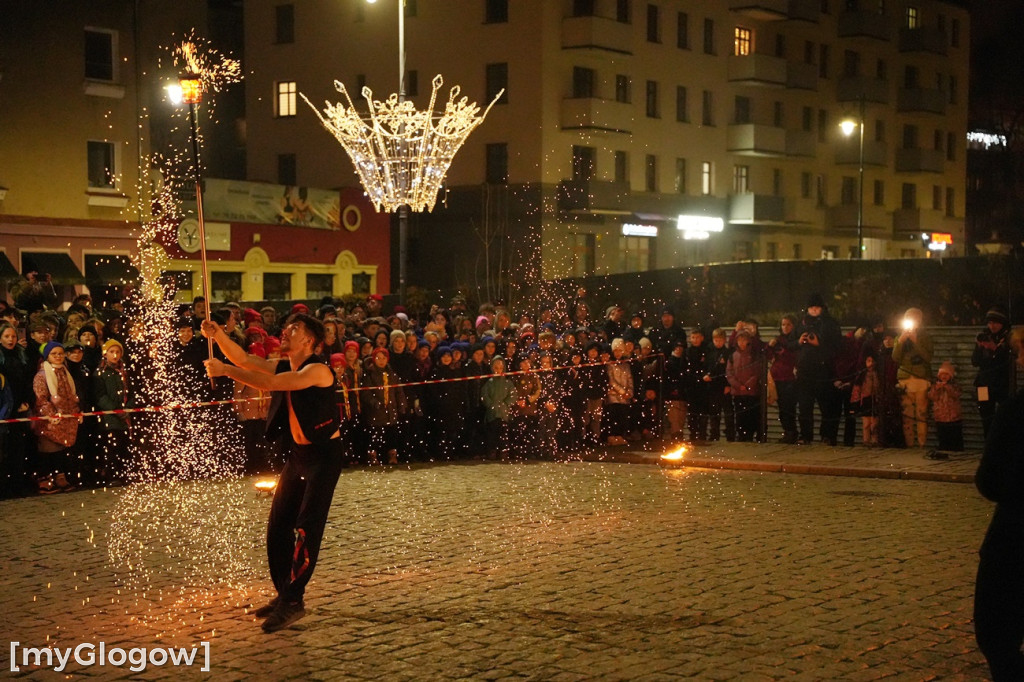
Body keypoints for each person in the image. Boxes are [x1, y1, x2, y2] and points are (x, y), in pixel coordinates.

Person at [203, 314, 344, 633]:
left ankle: (294, 601)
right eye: (287, 327)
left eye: (295, 329)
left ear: (310, 341)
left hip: (323, 457)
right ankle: (285, 594)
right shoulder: (285, 364)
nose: (286, 332)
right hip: (298, 457)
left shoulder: (318, 370)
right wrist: (218, 336)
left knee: (307, 529)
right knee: (278, 526)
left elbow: (273, 384)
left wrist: (225, 371)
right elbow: (247, 359)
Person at [974, 328, 1024, 681]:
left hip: (1015, 538)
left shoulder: (1016, 411)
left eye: (1020, 352)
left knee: (998, 632)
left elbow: (989, 480)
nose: (1017, 359)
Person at [31, 342, 80, 493]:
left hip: (65, 418)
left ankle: (60, 477)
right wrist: (50, 413)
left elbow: (70, 395)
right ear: (47, 356)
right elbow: (41, 398)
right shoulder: (42, 375)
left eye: (60, 353)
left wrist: (75, 410)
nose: (58, 357)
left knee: (60, 450)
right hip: (50, 420)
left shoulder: (65, 373)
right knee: (48, 449)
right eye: (54, 354)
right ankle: (45, 479)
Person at [893, 307, 933, 448]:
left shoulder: (925, 337)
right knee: (907, 416)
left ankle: (922, 445)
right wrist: (901, 342)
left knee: (921, 415)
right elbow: (895, 357)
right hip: (905, 380)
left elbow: (928, 357)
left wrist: (916, 341)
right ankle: (909, 445)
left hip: (921, 378)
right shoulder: (900, 337)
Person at [971, 305, 1012, 439]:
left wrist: (995, 348)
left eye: (995, 322)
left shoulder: (1008, 338)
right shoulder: (984, 336)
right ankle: (988, 444)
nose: (992, 326)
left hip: (1002, 384)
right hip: (984, 383)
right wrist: (980, 347)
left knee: (1005, 414)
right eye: (989, 322)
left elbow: (1008, 360)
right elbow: (975, 361)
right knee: (986, 414)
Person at [927, 360, 963, 455]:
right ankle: (944, 450)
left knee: (954, 435)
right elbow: (932, 397)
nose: (944, 377)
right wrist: (937, 389)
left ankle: (956, 451)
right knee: (943, 436)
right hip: (940, 417)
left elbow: (957, 394)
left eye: (946, 374)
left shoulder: (954, 385)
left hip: (953, 417)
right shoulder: (935, 385)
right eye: (942, 374)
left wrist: (948, 388)